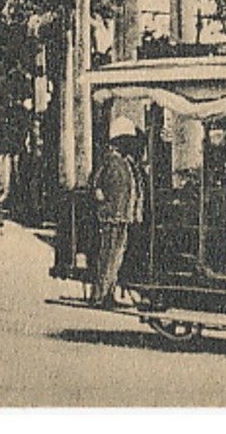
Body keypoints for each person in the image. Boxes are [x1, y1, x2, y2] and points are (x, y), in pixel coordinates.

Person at [90, 115, 145, 308]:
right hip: (112, 217)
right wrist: (106, 203)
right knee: (108, 256)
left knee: (116, 256)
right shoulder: (110, 160)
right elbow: (96, 186)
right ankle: (101, 295)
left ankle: (108, 293)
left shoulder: (126, 161)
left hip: (123, 216)